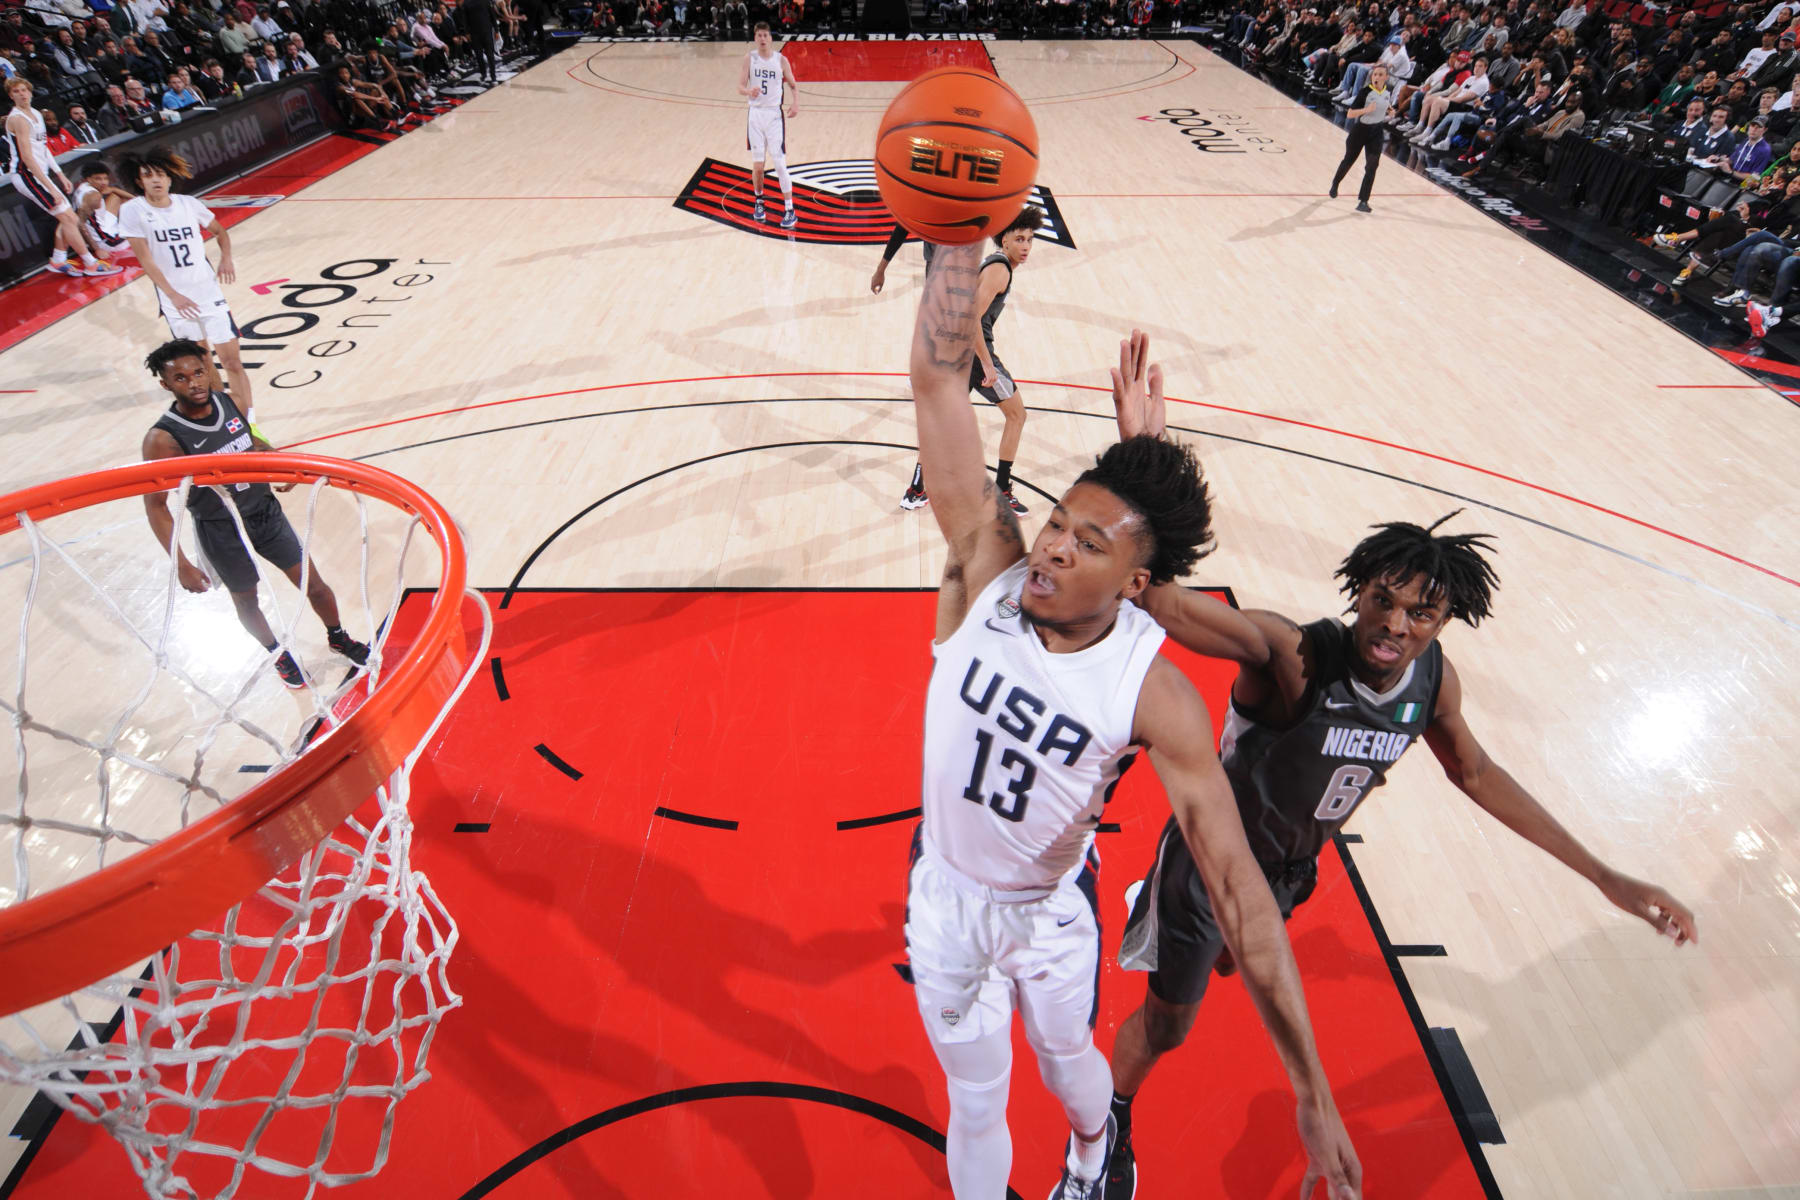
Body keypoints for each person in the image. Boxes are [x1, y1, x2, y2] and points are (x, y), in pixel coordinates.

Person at [1100, 335, 1698, 1199]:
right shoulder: (1292, 657)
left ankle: (1230, 955)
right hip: (1210, 870)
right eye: (1382, 600)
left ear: (1446, 621)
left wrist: (1606, 878)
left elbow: (1479, 773)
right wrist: (1139, 468)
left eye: (1421, 612)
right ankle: (1111, 1122)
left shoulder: (1431, 682)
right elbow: (1157, 600)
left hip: (1292, 874)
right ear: (1357, 593)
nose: (1395, 624)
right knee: (1168, 1029)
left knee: (1251, 966)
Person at [902, 245, 1361, 1200]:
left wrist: (1310, 1084)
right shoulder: (985, 566)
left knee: (1069, 1056)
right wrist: (956, 230)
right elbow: (937, 380)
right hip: (945, 893)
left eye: (1089, 543)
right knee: (975, 1095)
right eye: (1060, 521)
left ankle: (1089, 1155)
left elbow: (1239, 889)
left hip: (1049, 909)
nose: (1055, 548)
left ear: (1140, 585)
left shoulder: (1155, 696)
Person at [140, 339, 370, 690]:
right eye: (181, 378)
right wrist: (181, 563)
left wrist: (281, 465)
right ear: (166, 385)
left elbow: (251, 443)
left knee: (316, 585)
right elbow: (155, 505)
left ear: (208, 371)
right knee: (247, 598)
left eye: (198, 372)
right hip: (221, 529)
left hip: (265, 513)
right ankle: (277, 654)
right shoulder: (163, 439)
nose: (194, 383)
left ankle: (338, 636)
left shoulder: (228, 402)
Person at [901, 207, 1042, 516]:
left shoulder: (994, 264)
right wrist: (988, 366)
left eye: (1030, 240)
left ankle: (917, 489)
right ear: (1004, 240)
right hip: (974, 354)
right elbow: (971, 319)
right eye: (1019, 239)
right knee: (1017, 416)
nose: (1026, 247)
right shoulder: (1000, 270)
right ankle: (1002, 490)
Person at [116, 149, 260, 427]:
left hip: (208, 294)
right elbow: (145, 260)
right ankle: (228, 420)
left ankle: (250, 420)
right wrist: (173, 295)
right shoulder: (133, 211)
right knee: (202, 364)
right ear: (139, 181)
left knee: (232, 362)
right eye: (148, 176)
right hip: (175, 302)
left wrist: (226, 259)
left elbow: (220, 231)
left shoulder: (188, 204)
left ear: (169, 179)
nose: (156, 180)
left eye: (160, 175)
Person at [4, 78, 122, 279]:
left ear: (31, 92)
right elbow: (27, 157)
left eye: (25, 90)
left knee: (70, 218)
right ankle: (90, 263)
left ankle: (58, 259)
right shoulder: (17, 119)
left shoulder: (36, 114)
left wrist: (58, 174)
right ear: (11, 95)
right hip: (27, 176)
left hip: (40, 175)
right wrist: (50, 186)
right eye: (17, 91)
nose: (22, 94)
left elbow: (43, 148)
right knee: (68, 218)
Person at [738, 22, 797, 228]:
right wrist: (748, 92)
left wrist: (795, 102)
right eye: (759, 35)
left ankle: (790, 209)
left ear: (770, 38)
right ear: (755, 38)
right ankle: (759, 201)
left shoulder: (781, 60)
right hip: (755, 115)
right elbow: (740, 86)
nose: (762, 39)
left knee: (780, 163)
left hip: (773, 116)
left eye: (765, 35)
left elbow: (792, 83)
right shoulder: (750, 58)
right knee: (758, 165)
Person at [1330, 62, 1390, 213]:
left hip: (1376, 132)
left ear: (1386, 77)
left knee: (1372, 166)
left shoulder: (1386, 92)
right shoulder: (1365, 92)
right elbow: (1350, 113)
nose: (1377, 77)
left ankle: (1363, 201)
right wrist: (1366, 110)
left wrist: (1390, 110)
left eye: (1380, 74)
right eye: (1375, 74)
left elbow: (1384, 103)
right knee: (1349, 161)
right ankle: (1335, 183)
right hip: (1360, 131)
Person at [72, 157, 134, 264]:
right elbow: (79, 223)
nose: (104, 182)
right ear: (88, 179)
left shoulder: (83, 186)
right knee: (141, 235)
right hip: (108, 242)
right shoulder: (93, 196)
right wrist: (97, 249)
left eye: (105, 179)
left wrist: (114, 189)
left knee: (116, 196)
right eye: (98, 179)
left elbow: (132, 199)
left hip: (103, 223)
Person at [869, 222, 936, 293]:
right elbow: (902, 228)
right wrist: (880, 271)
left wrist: (880, 270)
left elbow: (902, 228)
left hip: (936, 265)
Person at [461, 0, 498, 84]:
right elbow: (465, 19)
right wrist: (466, 32)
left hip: (487, 31)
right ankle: (483, 74)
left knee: (490, 54)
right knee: (479, 55)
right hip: (474, 34)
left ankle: (493, 76)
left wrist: (496, 30)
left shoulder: (486, 1)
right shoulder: (466, 3)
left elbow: (492, 15)